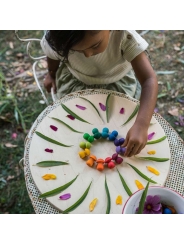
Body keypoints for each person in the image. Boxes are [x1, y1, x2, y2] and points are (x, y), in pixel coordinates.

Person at [40, 30, 158, 158]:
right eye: (77, 51)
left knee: (115, 123)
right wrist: (51, 74)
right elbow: (52, 53)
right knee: (76, 127)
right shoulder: (60, 34)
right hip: (76, 84)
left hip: (116, 85)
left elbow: (149, 80)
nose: (88, 54)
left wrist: (141, 125)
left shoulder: (124, 36)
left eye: (95, 45)